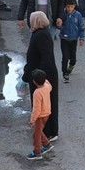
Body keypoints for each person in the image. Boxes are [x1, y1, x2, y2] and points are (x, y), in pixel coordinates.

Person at [21, 11, 60, 143]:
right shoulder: (39, 33)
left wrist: (40, 78)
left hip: (43, 77)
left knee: (45, 106)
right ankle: (45, 130)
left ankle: (48, 132)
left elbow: (46, 58)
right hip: (39, 76)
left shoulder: (41, 35)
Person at [24, 69, 51, 162]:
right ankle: (47, 144)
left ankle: (37, 152)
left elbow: (36, 109)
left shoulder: (37, 93)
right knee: (38, 130)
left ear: (34, 81)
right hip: (47, 113)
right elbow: (48, 84)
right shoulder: (47, 87)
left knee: (36, 134)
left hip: (40, 116)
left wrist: (32, 119)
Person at [57, 0, 85, 82]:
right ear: (65, 6)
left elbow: (81, 27)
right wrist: (59, 25)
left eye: (71, 6)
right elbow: (59, 26)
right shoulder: (62, 15)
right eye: (68, 6)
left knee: (73, 57)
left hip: (73, 39)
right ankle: (65, 73)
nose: (69, 9)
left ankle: (71, 65)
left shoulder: (78, 15)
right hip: (64, 39)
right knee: (65, 57)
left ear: (74, 6)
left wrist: (81, 38)